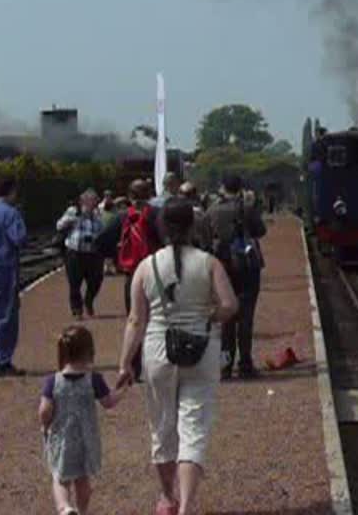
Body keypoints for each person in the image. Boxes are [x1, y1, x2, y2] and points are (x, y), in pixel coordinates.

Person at [117, 199, 237, 515]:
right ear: (192, 225)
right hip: (201, 349)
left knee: (162, 427)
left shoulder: (146, 266)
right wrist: (209, 315)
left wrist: (124, 362)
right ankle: (185, 507)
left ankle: (167, 497)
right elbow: (230, 305)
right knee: (193, 428)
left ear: (161, 227)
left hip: (157, 352)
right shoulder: (210, 263)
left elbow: (135, 320)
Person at [40, 325, 128, 515]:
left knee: (60, 478)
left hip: (61, 439)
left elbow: (45, 410)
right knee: (82, 479)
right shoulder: (94, 379)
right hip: (86, 439)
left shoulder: (52, 381)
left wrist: (45, 425)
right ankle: (82, 511)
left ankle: (64, 507)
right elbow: (109, 402)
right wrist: (123, 389)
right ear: (89, 352)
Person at [201, 175, 267, 379]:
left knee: (226, 316)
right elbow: (260, 231)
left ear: (222, 187)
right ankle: (245, 363)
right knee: (246, 317)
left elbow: (205, 237)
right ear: (240, 188)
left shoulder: (212, 209)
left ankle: (225, 365)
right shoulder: (247, 208)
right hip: (247, 265)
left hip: (222, 266)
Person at [97, 179, 162, 380]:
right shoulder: (157, 215)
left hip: (133, 273)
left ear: (129, 196)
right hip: (156, 270)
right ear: (150, 194)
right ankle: (156, 364)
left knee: (135, 319)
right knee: (156, 319)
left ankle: (134, 367)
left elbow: (102, 239)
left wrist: (117, 259)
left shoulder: (122, 217)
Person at [0, 177, 28, 376]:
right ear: (12, 191)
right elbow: (19, 239)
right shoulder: (11, 213)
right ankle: (1, 361)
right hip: (3, 268)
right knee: (4, 316)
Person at [57, 190, 106, 320]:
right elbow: (59, 226)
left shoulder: (98, 214)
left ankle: (88, 301)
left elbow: (102, 230)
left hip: (93, 253)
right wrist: (73, 218)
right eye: (91, 200)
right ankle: (77, 310)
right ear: (83, 201)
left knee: (96, 281)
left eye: (95, 200)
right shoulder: (73, 211)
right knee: (74, 283)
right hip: (75, 253)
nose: (94, 203)